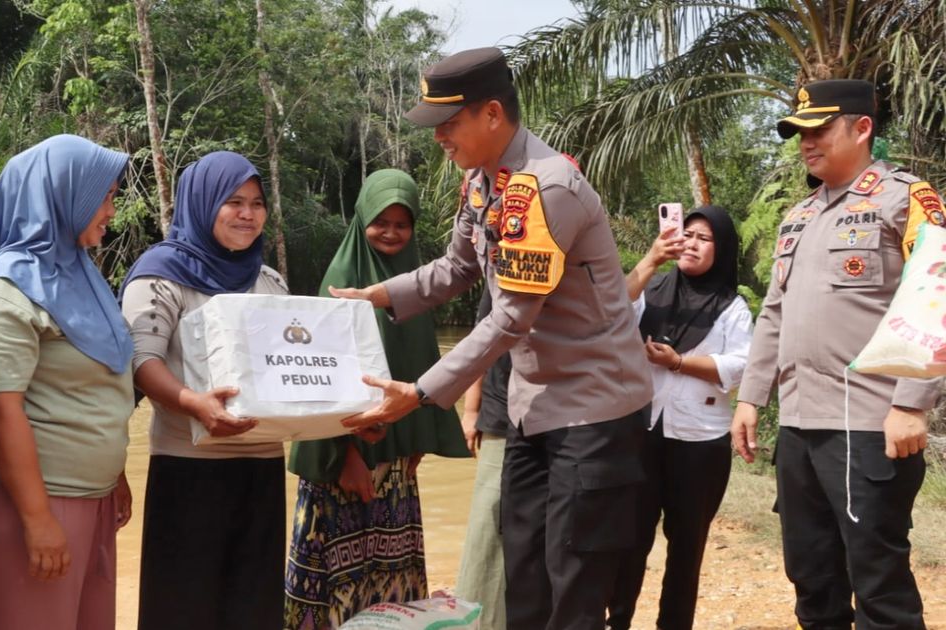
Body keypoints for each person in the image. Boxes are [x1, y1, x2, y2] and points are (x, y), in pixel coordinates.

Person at [332, 47, 654, 630]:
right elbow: (456, 269)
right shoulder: (483, 183)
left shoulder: (546, 187)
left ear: (492, 115)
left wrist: (422, 391)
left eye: (448, 124)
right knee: (522, 571)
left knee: (574, 579)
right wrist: (376, 295)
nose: (440, 139)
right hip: (536, 408)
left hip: (593, 410)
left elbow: (510, 318)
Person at [731, 79, 944, 629]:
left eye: (820, 129)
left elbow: (937, 293)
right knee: (813, 579)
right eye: (799, 131)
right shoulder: (798, 216)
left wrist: (913, 403)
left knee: (879, 585)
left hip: (870, 426)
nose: (806, 141)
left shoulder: (905, 198)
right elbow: (774, 314)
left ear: (863, 127)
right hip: (801, 429)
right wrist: (751, 399)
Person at [0, 134, 135, 630]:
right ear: (64, 193)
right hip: (29, 504)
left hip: (87, 499)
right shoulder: (5, 290)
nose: (112, 211)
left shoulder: (78, 274)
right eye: (108, 196)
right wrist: (36, 520)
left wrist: (113, 474)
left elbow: (99, 383)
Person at [284, 169, 470, 628]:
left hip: (395, 465)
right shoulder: (343, 277)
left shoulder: (417, 283)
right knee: (335, 581)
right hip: (345, 461)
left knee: (389, 585)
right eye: (380, 222)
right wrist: (344, 452)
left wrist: (419, 436)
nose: (390, 232)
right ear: (361, 218)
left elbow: (421, 366)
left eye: (401, 224)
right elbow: (319, 376)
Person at [121, 151, 287, 630]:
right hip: (187, 467)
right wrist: (194, 403)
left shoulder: (269, 281)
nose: (248, 214)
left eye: (257, 203)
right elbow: (140, 361)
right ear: (201, 203)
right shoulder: (160, 274)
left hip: (263, 465)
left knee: (253, 609)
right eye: (233, 201)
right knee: (183, 607)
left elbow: (292, 368)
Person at [606, 207, 753, 630]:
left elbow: (742, 365)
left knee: (686, 550)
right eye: (686, 233)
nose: (690, 243)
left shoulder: (732, 306)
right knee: (629, 542)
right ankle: (617, 622)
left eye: (703, 238)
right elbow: (611, 315)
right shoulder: (652, 289)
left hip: (700, 444)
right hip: (642, 435)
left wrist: (680, 363)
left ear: (721, 249)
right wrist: (650, 260)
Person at [455, 289, 513, 630]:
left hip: (560, 422)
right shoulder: (502, 277)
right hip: (501, 417)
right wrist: (471, 409)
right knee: (489, 528)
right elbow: (479, 346)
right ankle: (479, 623)